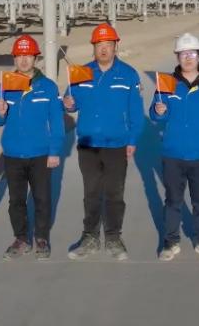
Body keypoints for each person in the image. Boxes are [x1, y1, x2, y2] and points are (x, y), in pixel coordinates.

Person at [64, 23, 145, 261]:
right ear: (94, 47)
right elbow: (71, 102)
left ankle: (113, 237)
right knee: (91, 193)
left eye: (108, 44)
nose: (103, 49)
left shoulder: (128, 74)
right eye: (99, 45)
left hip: (116, 144)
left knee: (114, 193)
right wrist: (68, 103)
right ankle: (89, 237)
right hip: (88, 144)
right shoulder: (81, 73)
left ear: (115, 46)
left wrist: (132, 140)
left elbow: (136, 112)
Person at [150, 33, 199, 261]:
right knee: (172, 201)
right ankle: (170, 241)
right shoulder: (167, 83)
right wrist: (158, 111)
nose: (187, 58)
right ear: (177, 56)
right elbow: (156, 116)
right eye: (183, 54)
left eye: (192, 53)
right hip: (173, 154)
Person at [0, 34, 66, 260]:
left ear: (35, 58)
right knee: (16, 201)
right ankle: (21, 238)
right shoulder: (4, 85)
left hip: (40, 153)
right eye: (19, 56)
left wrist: (54, 151)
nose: (23, 60)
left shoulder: (48, 87)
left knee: (42, 198)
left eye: (28, 56)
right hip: (13, 153)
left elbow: (57, 121)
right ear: (14, 58)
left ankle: (41, 238)